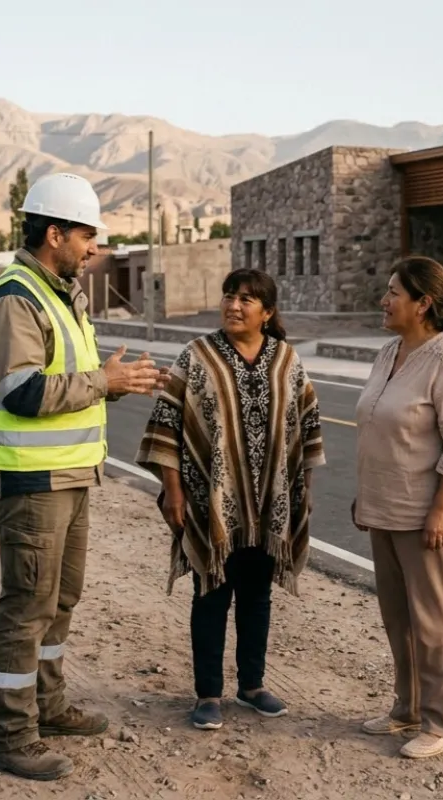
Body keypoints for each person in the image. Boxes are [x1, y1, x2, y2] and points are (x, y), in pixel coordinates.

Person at [0, 172, 167, 781]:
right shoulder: (15, 296)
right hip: (30, 481)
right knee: (27, 605)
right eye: (87, 235)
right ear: (54, 232)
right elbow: (22, 392)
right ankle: (10, 733)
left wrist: (108, 384)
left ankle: (48, 706)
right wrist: (102, 384)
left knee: (60, 600)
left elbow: (68, 382)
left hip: (70, 475)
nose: (94, 248)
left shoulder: (60, 294)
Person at [135, 267, 325, 732]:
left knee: (257, 596)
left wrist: (301, 495)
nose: (233, 306)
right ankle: (207, 693)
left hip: (268, 505)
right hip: (209, 502)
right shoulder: (197, 357)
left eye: (246, 299)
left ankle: (253, 684)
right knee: (211, 593)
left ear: (268, 312)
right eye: (228, 296)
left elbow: (306, 426)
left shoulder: (286, 360)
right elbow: (167, 425)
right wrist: (175, 493)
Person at [351, 255, 443, 759]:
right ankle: (406, 708)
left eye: (393, 293)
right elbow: (376, 429)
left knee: (433, 621)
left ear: (423, 303)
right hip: (385, 508)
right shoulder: (389, 352)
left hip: (430, 515)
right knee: (397, 618)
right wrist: (367, 496)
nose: (383, 301)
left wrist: (441, 510)